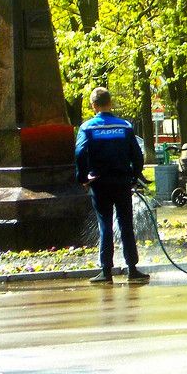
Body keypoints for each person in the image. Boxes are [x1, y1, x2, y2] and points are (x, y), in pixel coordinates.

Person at [75, 87, 149, 285]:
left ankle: (106, 271)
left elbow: (80, 153)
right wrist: (135, 175)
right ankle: (132, 269)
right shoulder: (125, 126)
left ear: (93, 105)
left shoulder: (87, 128)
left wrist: (83, 177)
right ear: (110, 103)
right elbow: (138, 155)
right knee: (126, 224)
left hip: (99, 183)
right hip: (122, 181)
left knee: (105, 224)